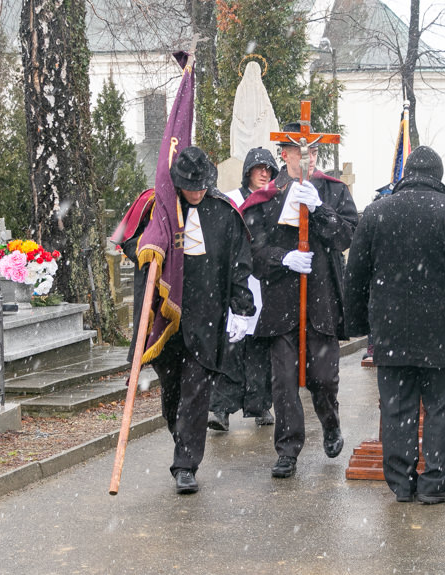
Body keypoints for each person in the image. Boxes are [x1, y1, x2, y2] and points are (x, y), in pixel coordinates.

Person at [344, 146, 445, 504]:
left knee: (396, 409)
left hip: (391, 331)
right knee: (440, 411)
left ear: (406, 173)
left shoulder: (377, 212)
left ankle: (401, 483)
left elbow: (356, 275)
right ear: (438, 176)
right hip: (442, 332)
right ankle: (434, 484)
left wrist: (360, 324)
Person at [119, 146, 255, 495]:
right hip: (164, 318)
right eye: (188, 186)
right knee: (173, 391)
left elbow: (239, 263)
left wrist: (242, 306)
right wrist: (151, 245)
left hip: (206, 314)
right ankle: (183, 437)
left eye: (200, 186)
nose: (195, 192)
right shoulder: (158, 207)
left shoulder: (224, 213)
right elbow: (129, 241)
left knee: (197, 389)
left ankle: (185, 464)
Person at [241, 122, 358, 479]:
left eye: (312, 152)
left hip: (321, 300)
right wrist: (283, 258)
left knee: (323, 378)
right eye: (298, 151)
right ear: (285, 154)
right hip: (281, 303)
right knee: (284, 383)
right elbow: (252, 252)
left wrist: (321, 210)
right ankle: (288, 450)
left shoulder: (334, 191)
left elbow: (348, 236)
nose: (306, 158)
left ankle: (331, 422)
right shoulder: (265, 197)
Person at [207, 147, 279, 431]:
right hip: (236, 285)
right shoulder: (232, 201)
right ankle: (221, 410)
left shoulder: (273, 201)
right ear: (248, 170)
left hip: (265, 285)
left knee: (260, 352)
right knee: (231, 351)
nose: (264, 173)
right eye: (259, 168)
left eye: (268, 169)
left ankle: (260, 405)